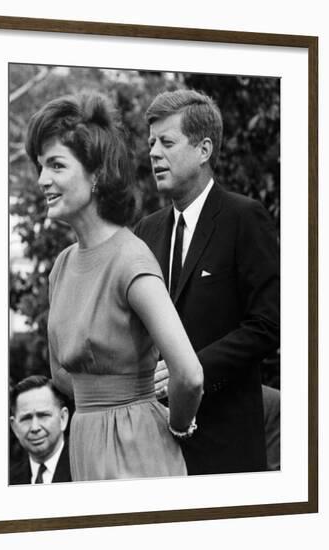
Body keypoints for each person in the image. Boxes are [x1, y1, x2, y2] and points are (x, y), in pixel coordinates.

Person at [25, 92, 204, 481]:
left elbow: (188, 375)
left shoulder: (131, 259)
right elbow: (61, 375)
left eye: (56, 165)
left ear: (97, 175)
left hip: (138, 448)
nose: (42, 180)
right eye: (41, 166)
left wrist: (176, 425)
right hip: (87, 444)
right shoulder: (62, 266)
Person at [135, 89, 280, 475]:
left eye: (166, 142)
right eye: (151, 143)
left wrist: (191, 371)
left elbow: (267, 326)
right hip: (154, 449)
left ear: (204, 150)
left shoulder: (244, 219)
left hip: (227, 447)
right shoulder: (145, 232)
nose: (153, 153)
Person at [10, 375, 71, 484]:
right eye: (26, 418)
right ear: (14, 427)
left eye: (43, 415)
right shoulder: (9, 480)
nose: (35, 427)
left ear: (63, 418)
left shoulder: (85, 470)